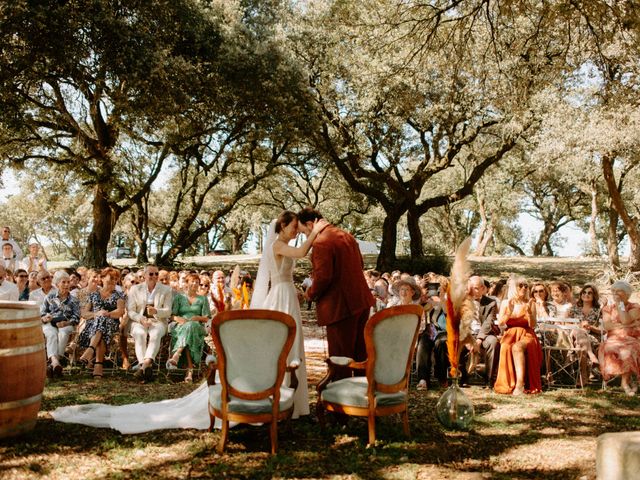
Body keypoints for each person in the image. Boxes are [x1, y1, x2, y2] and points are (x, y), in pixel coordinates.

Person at [250, 210, 328, 418]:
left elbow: (285, 274)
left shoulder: (285, 246)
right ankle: (279, 396)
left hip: (288, 294)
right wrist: (315, 232)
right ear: (282, 226)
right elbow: (302, 252)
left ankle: (295, 403)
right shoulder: (276, 245)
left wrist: (297, 291)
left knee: (294, 343)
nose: (296, 231)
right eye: (293, 227)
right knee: (283, 343)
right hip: (279, 298)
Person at [297, 207, 375, 380]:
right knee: (360, 353)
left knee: (340, 357)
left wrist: (309, 293)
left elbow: (323, 277)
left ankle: (341, 403)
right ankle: (364, 395)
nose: (305, 236)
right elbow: (360, 265)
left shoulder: (321, 241)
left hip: (340, 307)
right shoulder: (346, 235)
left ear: (310, 224)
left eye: (303, 232)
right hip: (361, 301)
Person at [494, 276, 542, 395]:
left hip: (527, 334)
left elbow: (533, 325)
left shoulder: (530, 303)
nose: (524, 288)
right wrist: (509, 313)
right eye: (520, 285)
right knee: (505, 346)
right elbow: (501, 323)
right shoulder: (506, 302)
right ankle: (509, 383)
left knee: (517, 347)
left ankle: (520, 384)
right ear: (514, 288)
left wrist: (530, 313)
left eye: (526, 286)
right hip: (510, 333)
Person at [77, 267, 125, 378]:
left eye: (116, 279)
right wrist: (96, 314)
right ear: (102, 278)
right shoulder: (94, 295)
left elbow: (120, 311)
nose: (114, 281)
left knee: (103, 321)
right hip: (92, 326)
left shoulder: (119, 295)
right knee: (100, 323)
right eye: (111, 278)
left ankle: (90, 349)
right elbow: (84, 313)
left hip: (111, 325)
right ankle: (98, 364)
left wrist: (106, 314)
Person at [128, 265, 173, 381]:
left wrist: (156, 311)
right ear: (144, 275)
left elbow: (168, 311)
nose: (154, 276)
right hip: (139, 321)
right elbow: (131, 311)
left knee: (155, 334)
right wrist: (141, 319)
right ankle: (146, 368)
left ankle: (144, 365)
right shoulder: (135, 289)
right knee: (140, 333)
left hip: (158, 321)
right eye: (151, 274)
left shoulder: (166, 289)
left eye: (156, 274)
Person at [167, 272, 211, 383]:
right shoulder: (179, 297)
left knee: (191, 326)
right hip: (181, 326)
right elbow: (172, 315)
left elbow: (207, 318)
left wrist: (198, 317)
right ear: (187, 283)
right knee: (188, 329)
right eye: (193, 281)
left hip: (197, 327)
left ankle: (177, 354)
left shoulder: (203, 299)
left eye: (197, 282)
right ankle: (190, 370)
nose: (196, 284)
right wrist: (178, 319)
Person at [598, 281, 640, 396]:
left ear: (626, 294)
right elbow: (607, 326)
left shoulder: (634, 306)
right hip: (614, 339)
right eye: (613, 291)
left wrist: (620, 305)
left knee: (629, 350)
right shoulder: (607, 309)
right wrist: (629, 325)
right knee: (610, 347)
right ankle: (628, 381)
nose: (615, 294)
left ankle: (624, 382)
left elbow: (625, 319)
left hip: (631, 338)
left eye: (618, 291)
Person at [40, 270, 80, 377]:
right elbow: (41, 315)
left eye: (68, 282)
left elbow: (76, 317)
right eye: (63, 282)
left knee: (63, 332)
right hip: (50, 323)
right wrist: (45, 318)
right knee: (52, 334)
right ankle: (56, 362)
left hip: (66, 324)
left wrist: (66, 323)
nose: (67, 284)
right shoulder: (49, 297)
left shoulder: (74, 300)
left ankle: (53, 362)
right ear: (57, 284)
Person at [466, 275, 500, 388]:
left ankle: (489, 379)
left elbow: (488, 323)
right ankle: (461, 378)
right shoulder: (461, 301)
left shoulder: (491, 303)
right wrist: (467, 339)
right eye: (470, 287)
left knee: (493, 342)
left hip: (483, 334)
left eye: (475, 288)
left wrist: (479, 339)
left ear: (482, 288)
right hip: (466, 333)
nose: (472, 290)